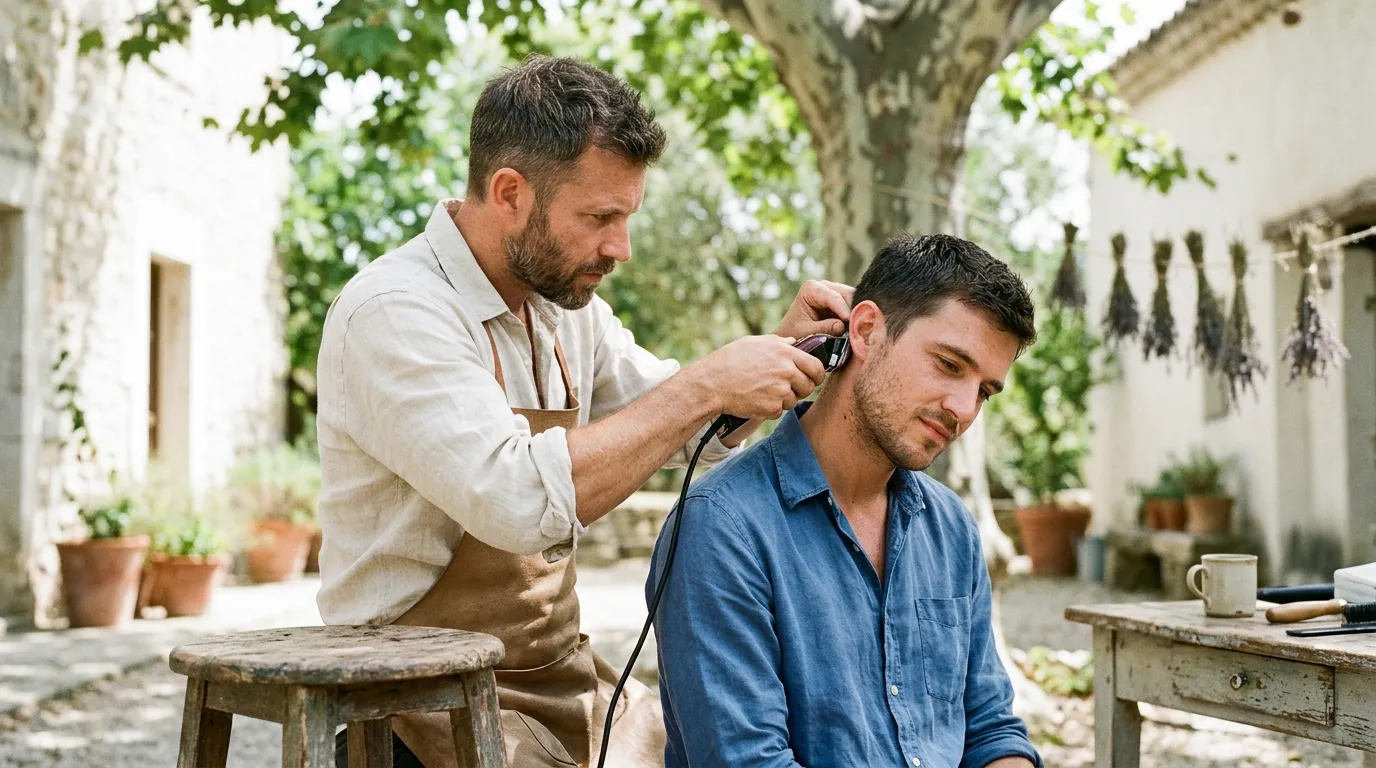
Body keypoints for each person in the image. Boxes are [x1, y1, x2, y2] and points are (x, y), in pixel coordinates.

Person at [313, 54, 853, 768]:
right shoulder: (395, 312)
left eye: (626, 217)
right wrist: (706, 386)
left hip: (556, 680)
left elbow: (680, 425)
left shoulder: (566, 308)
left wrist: (780, 353)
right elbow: (515, 500)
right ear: (510, 192)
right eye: (599, 217)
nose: (619, 248)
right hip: (411, 701)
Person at [647, 233, 1045, 768]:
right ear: (865, 331)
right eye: (949, 365)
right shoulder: (721, 529)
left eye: (984, 391)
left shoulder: (950, 525)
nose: (963, 409)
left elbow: (991, 731)